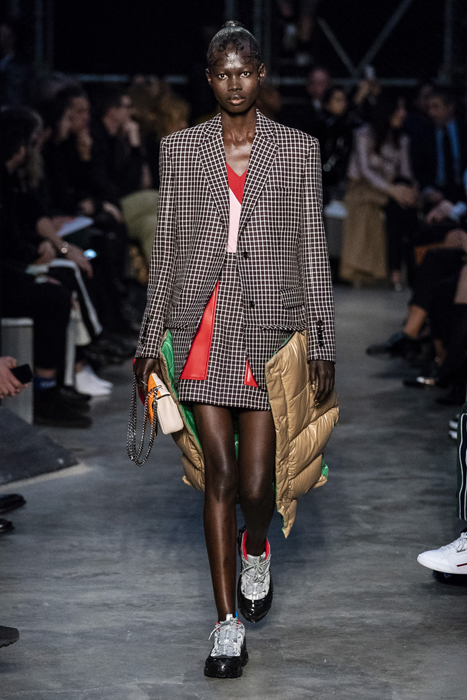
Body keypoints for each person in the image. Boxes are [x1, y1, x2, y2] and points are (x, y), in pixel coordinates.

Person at [133, 21, 336, 678]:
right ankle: (226, 626)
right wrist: (149, 339)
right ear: (209, 78)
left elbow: (312, 250)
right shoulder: (181, 149)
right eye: (222, 73)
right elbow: (166, 250)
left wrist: (323, 342)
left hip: (270, 327)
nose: (234, 83)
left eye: (244, 71)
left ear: (261, 73)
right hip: (203, 324)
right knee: (219, 474)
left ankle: (256, 547)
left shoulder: (297, 149)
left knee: (256, 484)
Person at [340, 93, 418, 287]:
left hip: (391, 187)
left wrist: (410, 189)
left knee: (402, 209)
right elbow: (365, 171)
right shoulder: (363, 135)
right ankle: (378, 270)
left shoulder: (402, 138)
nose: (403, 113)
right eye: (398, 109)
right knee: (383, 207)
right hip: (363, 187)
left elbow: (406, 171)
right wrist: (393, 190)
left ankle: (401, 270)